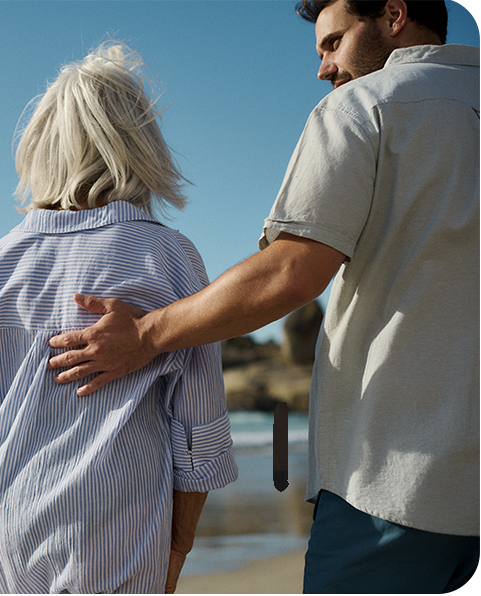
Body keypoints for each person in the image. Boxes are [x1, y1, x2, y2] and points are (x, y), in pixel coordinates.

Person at [48, 1, 478, 592]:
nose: (324, 69)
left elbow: (291, 273)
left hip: (396, 486)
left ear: (394, 15)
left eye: (332, 43)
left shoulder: (366, 106)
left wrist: (146, 335)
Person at [0, 43, 237, 594]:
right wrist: (176, 548)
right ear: (139, 145)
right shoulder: (164, 255)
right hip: (112, 534)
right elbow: (197, 434)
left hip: (6, 528)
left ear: (44, 147)